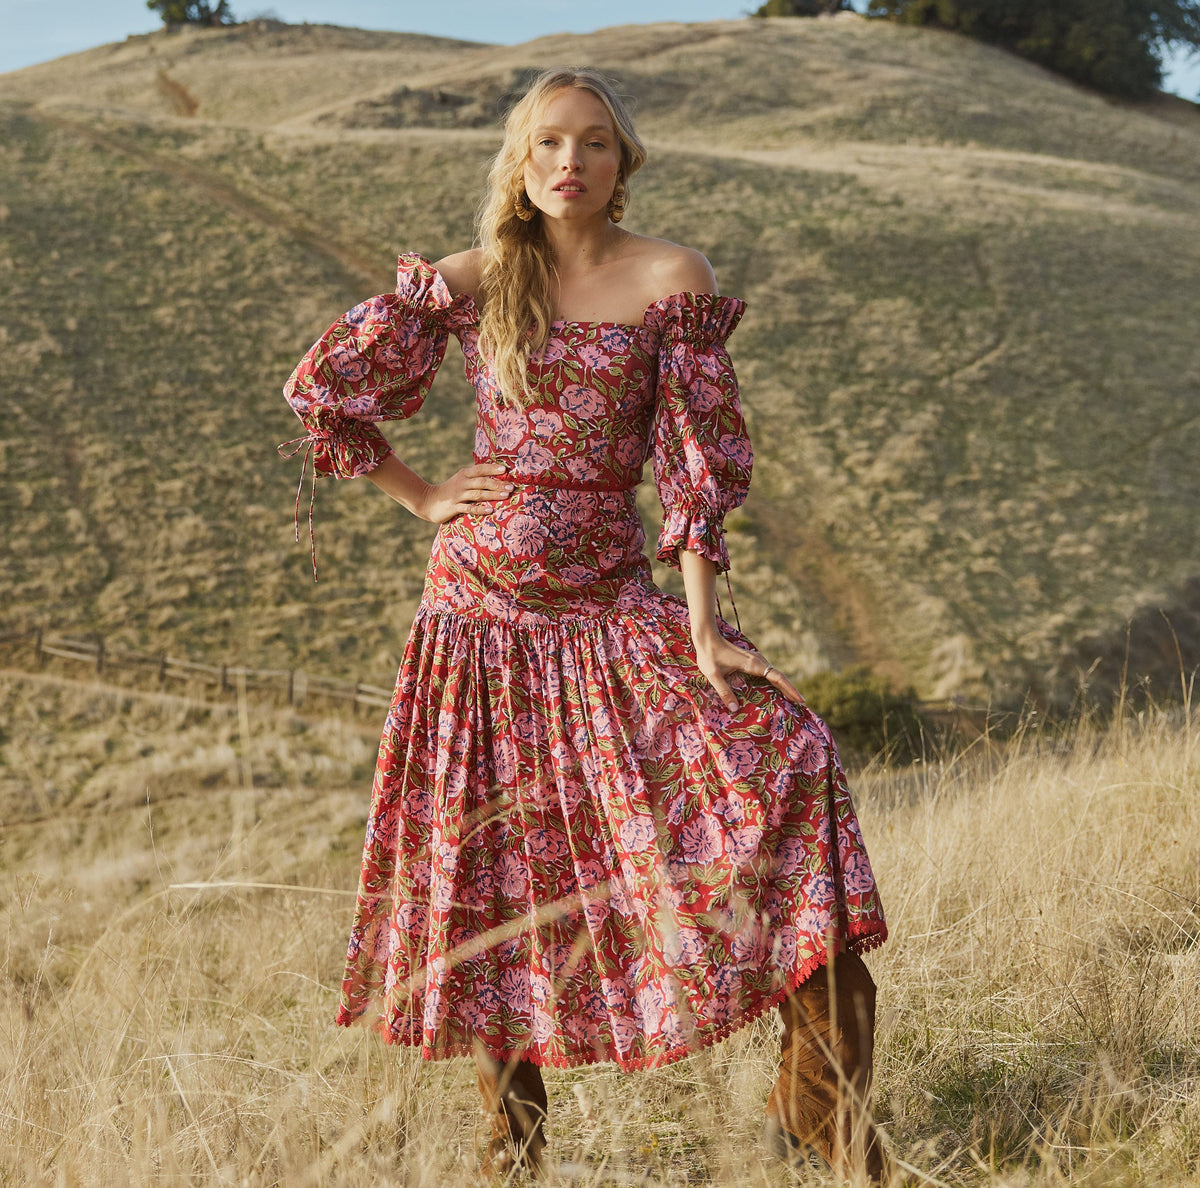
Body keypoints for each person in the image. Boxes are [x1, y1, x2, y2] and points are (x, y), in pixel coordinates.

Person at [281, 66, 889, 1181]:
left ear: (624, 162)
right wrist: (423, 496)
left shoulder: (671, 279)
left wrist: (705, 630)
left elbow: (694, 474)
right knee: (496, 862)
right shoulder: (468, 283)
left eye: (595, 144)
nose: (572, 162)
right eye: (551, 142)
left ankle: (818, 1122)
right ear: (521, 161)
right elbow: (324, 389)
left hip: (613, 604)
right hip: (478, 619)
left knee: (794, 762)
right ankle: (512, 1147)